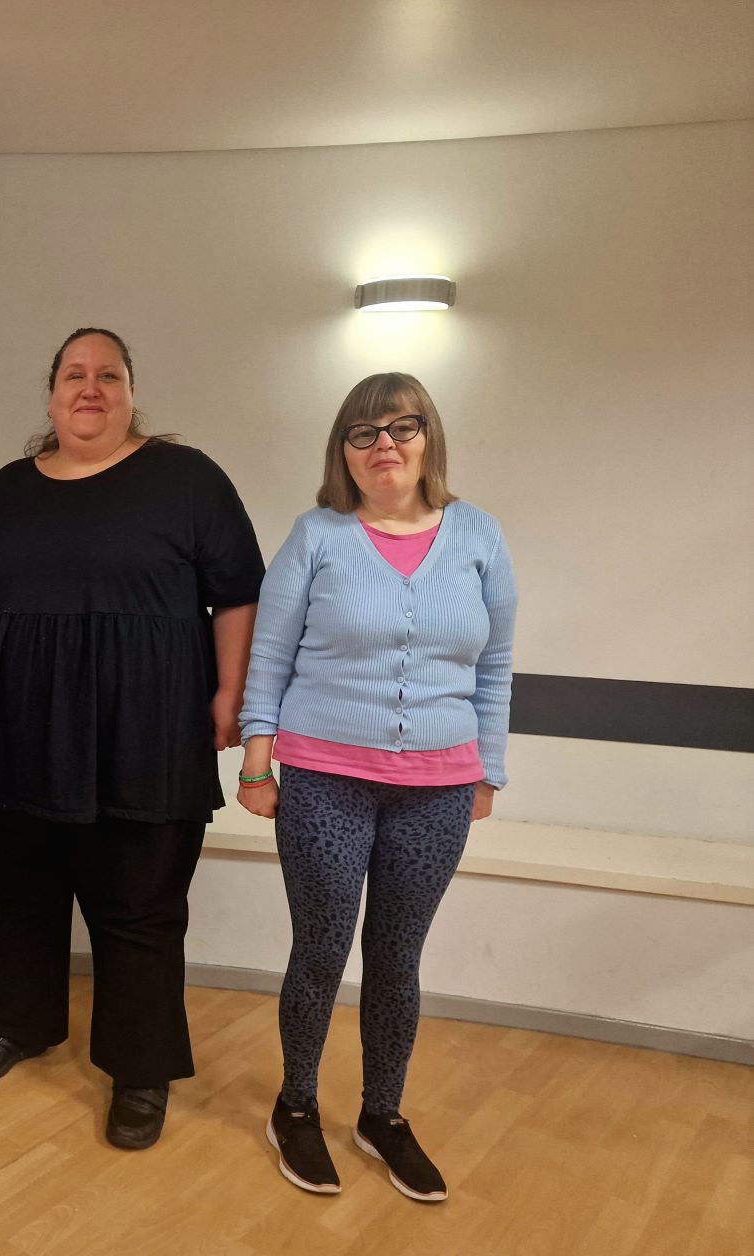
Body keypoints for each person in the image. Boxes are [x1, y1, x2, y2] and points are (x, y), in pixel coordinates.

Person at [0, 328, 263, 1150]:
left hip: (146, 733)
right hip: (21, 732)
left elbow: (236, 594)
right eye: (75, 375)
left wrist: (232, 691)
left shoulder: (186, 478)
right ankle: (19, 1023)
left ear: (131, 392)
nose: (90, 388)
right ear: (52, 392)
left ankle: (140, 1068)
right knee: (17, 890)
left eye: (108, 376)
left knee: (141, 907)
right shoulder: (12, 487)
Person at [238, 372, 516, 1203]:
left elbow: (495, 666)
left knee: (398, 957)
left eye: (401, 427)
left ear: (428, 437)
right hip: (325, 779)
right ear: (343, 453)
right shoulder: (316, 536)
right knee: (320, 951)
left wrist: (487, 769)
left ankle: (382, 1116)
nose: (383, 444)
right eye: (363, 433)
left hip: (438, 787)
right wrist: (257, 763)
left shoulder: (479, 537)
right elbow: (270, 654)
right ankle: (296, 1106)